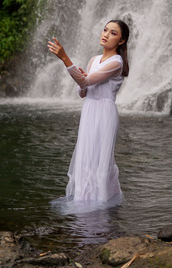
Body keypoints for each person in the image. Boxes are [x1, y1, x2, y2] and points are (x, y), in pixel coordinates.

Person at [47, 20, 129, 206]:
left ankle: (100, 203)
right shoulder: (94, 60)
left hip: (104, 113)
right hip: (90, 109)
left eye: (113, 33)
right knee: (85, 158)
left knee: (100, 160)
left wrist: (65, 58)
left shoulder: (116, 62)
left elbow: (85, 82)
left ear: (121, 41)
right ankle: (85, 199)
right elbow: (83, 91)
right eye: (105, 29)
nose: (106, 34)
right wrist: (83, 78)